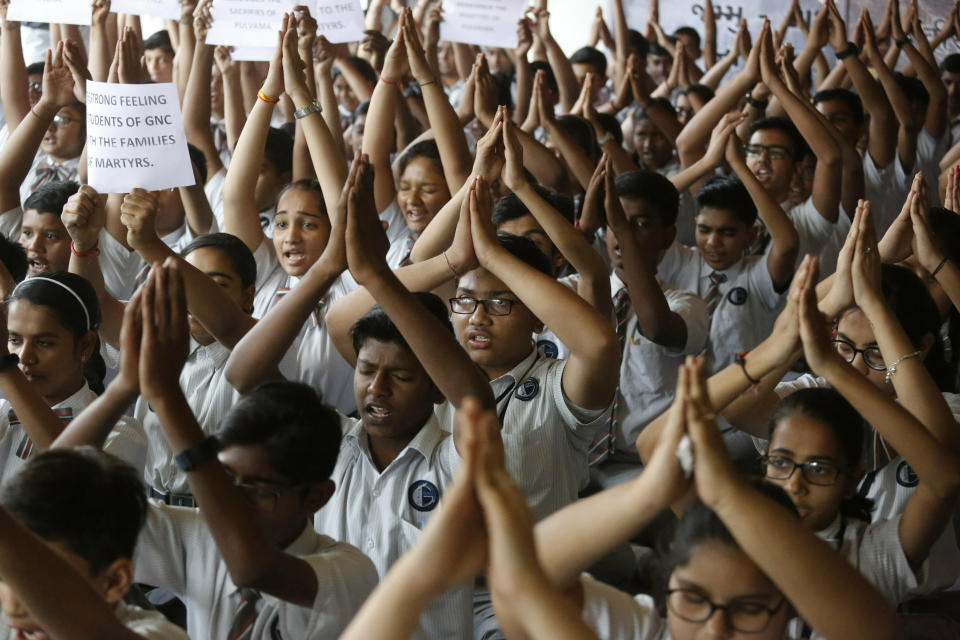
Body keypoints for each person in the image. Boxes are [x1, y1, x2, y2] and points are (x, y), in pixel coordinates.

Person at [54, 261, 380, 638]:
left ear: (317, 497)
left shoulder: (350, 570)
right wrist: (127, 384)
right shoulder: (199, 537)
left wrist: (166, 393)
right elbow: (55, 487)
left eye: (259, 491)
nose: (233, 502)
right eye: (226, 479)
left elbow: (252, 569)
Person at [0, 448, 189, 639]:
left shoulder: (159, 635)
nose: (11, 603)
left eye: (40, 578)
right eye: (4, 576)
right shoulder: (13, 623)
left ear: (114, 581)